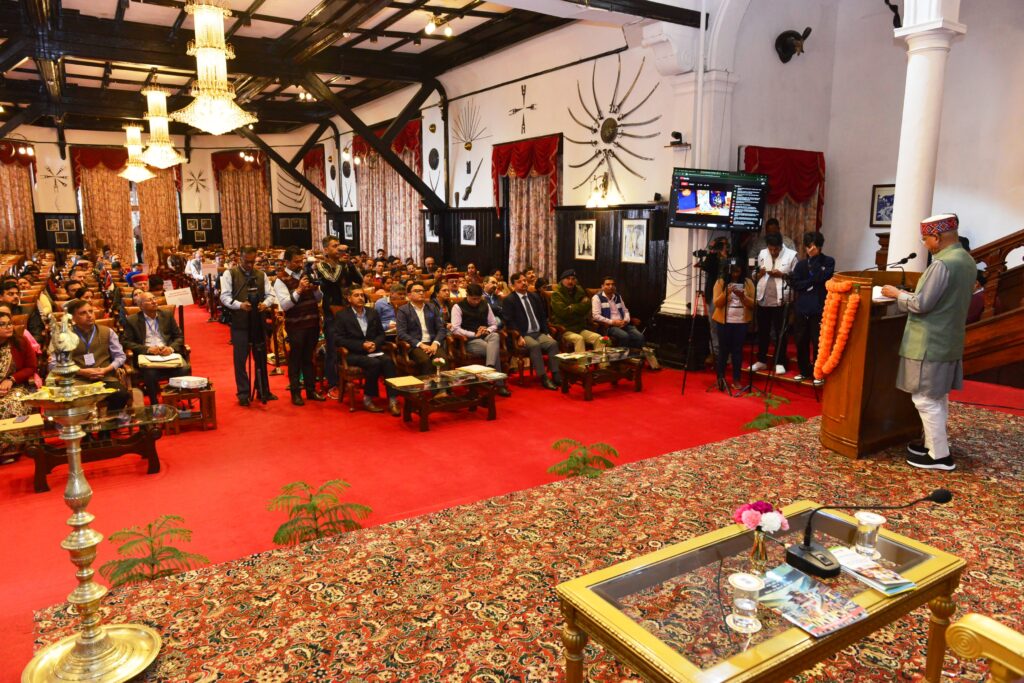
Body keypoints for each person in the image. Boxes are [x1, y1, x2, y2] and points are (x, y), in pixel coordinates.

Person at [880, 214, 976, 471]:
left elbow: (922, 304)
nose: (924, 244)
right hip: (948, 338)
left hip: (929, 341)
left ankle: (940, 456)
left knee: (925, 398)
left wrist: (897, 294)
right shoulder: (966, 259)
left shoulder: (942, 264)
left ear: (937, 237)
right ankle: (933, 445)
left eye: (925, 239)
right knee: (937, 396)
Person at [220, 245, 277, 406]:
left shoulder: (261, 275)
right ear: (240, 258)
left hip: (258, 321)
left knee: (261, 357)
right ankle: (243, 393)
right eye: (247, 261)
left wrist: (265, 304)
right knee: (240, 360)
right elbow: (224, 297)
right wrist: (239, 305)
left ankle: (263, 390)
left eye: (253, 262)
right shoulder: (230, 274)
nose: (250, 265)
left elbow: (271, 294)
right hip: (240, 322)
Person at [334, 288, 401, 415]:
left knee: (388, 361)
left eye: (362, 295)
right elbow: (338, 339)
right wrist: (362, 345)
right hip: (353, 353)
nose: (360, 297)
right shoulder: (342, 315)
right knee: (374, 363)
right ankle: (368, 399)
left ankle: (393, 400)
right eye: (356, 295)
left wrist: (375, 343)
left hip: (373, 350)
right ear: (349, 299)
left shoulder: (372, 313)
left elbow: (381, 334)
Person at [55, 299, 130, 411]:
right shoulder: (65, 336)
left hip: (104, 376)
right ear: (73, 318)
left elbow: (120, 356)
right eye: (83, 313)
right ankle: (83, 421)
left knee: (121, 395)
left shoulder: (107, 332)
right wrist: (81, 372)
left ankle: (109, 422)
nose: (89, 315)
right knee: (71, 399)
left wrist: (107, 369)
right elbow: (56, 364)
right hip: (78, 379)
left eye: (91, 311)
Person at [273, 246, 325, 406]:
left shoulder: (306, 274)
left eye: (301, 261)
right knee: (295, 359)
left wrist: (315, 289)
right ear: (287, 262)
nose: (299, 264)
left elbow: (318, 298)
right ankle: (295, 393)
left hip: (312, 322)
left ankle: (311, 390)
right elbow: (285, 305)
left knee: (309, 358)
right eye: (296, 262)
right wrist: (299, 289)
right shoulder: (280, 279)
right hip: (296, 325)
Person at [121, 291, 190, 404]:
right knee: (150, 373)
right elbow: (125, 342)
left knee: (184, 368)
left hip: (168, 353)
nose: (154, 301)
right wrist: (147, 349)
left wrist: (171, 348)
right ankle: (154, 403)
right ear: (141, 306)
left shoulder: (166, 315)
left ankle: (174, 398)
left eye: (154, 298)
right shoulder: (132, 320)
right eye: (149, 300)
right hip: (148, 356)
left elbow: (179, 336)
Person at [317, 237, 363, 394]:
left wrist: (350, 263)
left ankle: (347, 380)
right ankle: (333, 384)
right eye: (334, 246)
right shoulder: (322, 265)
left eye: (339, 246)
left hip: (347, 311)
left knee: (348, 346)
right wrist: (342, 264)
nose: (338, 249)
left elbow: (359, 280)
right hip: (332, 312)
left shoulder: (344, 264)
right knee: (332, 349)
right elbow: (332, 279)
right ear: (326, 250)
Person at [790, 232, 835, 383]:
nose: (810, 249)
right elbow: (796, 285)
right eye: (808, 246)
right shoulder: (801, 264)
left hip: (819, 308)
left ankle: (818, 373)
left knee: (818, 342)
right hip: (802, 308)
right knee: (801, 341)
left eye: (813, 246)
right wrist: (811, 282)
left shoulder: (828, 261)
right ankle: (804, 371)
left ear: (820, 246)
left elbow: (823, 278)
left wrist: (814, 267)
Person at [503, 271, 561, 390]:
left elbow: (542, 317)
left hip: (538, 332)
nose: (523, 283)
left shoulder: (534, 297)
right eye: (519, 282)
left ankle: (556, 375)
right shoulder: (510, 299)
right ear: (513, 285)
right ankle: (543, 378)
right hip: (524, 334)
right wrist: (518, 336)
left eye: (524, 280)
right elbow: (509, 321)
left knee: (553, 343)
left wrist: (547, 333)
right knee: (534, 345)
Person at [451, 283, 511, 397]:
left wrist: (487, 330)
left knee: (495, 336)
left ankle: (489, 368)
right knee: (492, 349)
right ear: (467, 295)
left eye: (478, 299)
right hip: (470, 340)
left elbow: (493, 324)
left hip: (485, 336)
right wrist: (474, 334)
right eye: (473, 299)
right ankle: (500, 384)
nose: (476, 301)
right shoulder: (458, 307)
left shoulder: (485, 304)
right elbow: (455, 329)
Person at [752, 233, 797, 374]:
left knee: (780, 333)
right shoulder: (762, 253)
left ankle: (780, 361)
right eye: (770, 249)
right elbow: (754, 275)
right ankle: (761, 361)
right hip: (763, 298)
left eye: (775, 249)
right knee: (763, 332)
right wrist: (759, 274)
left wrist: (782, 275)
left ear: (781, 246)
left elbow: (796, 278)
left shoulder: (791, 255)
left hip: (781, 300)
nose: (773, 252)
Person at [712, 261, 755, 392]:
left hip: (741, 322)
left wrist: (743, 297)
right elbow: (716, 303)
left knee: (737, 351)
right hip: (724, 322)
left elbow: (754, 304)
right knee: (723, 351)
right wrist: (726, 293)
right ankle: (720, 378)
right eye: (733, 271)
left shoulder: (748, 282)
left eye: (738, 271)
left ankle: (736, 379)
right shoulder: (720, 282)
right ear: (728, 271)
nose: (735, 274)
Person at [396, 281, 448, 375]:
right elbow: (401, 333)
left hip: (432, 343)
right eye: (417, 291)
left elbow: (441, 328)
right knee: (425, 360)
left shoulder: (432, 307)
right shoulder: (403, 310)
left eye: (423, 291)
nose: (421, 293)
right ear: (409, 295)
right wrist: (420, 344)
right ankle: (429, 384)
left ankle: (443, 384)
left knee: (442, 359)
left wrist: (435, 343)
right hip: (415, 345)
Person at [550, 269, 602, 353]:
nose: (570, 281)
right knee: (579, 339)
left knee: (598, 338)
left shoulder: (579, 290)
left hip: (579, 328)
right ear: (562, 280)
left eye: (573, 279)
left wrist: (572, 307)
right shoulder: (557, 294)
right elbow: (563, 313)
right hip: (565, 329)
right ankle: (581, 362)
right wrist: (579, 308)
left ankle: (600, 361)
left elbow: (587, 306)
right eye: (567, 278)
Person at [0, 310, 36, 420]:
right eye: (2, 324)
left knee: (10, 405)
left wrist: (11, 379)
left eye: (10, 323)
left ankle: (15, 431)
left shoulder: (21, 342)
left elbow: (31, 367)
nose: (8, 327)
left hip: (17, 387)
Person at [591, 276, 644, 349]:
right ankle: (622, 355)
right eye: (608, 284)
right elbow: (596, 316)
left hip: (623, 323)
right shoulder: (597, 298)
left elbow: (625, 310)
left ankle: (633, 354)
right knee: (624, 336)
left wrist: (625, 320)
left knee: (639, 336)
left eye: (612, 284)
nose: (611, 286)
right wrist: (612, 322)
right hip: (610, 326)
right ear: (602, 286)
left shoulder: (618, 296)